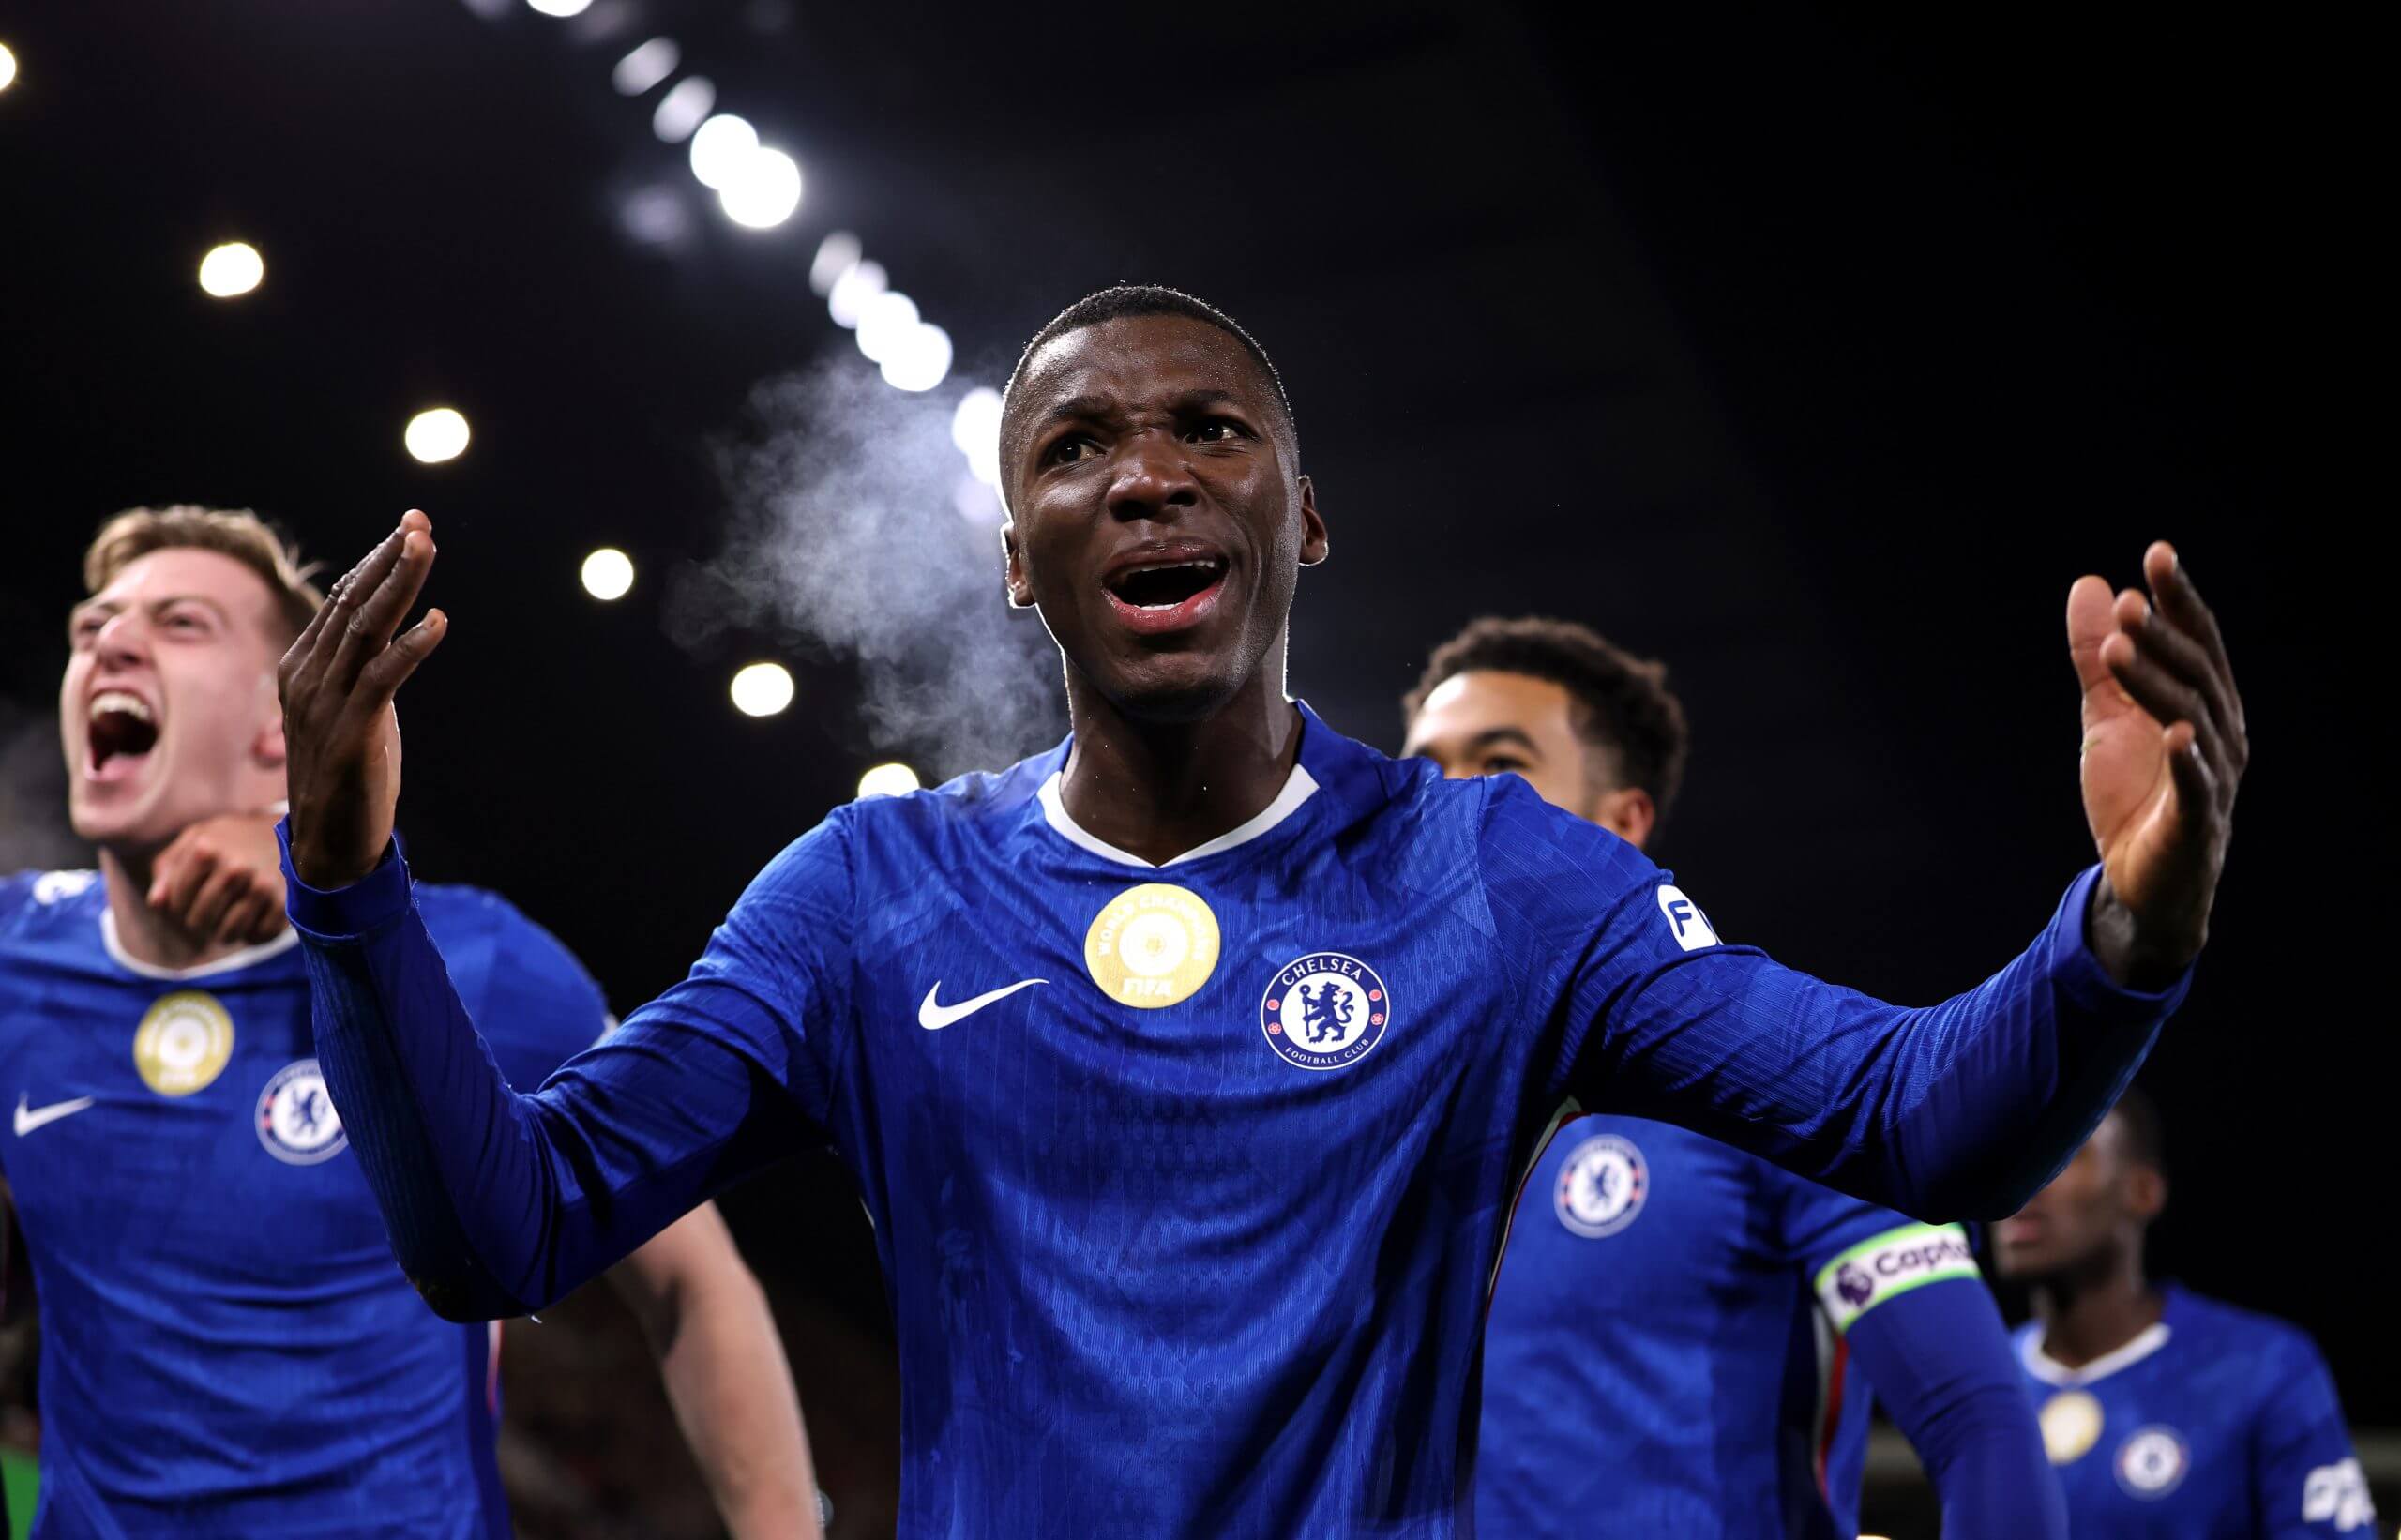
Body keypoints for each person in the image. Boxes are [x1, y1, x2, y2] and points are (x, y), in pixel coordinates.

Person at [276, 285, 2245, 1533]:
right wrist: (352, 886)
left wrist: (2124, 928)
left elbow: (1916, 1117)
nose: (1145, 474)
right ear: (1017, 566)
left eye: (1208, 430)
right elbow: (498, 1227)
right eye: (1076, 448)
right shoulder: (869, 899)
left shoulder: (1497, 874)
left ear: (1297, 520)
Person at [0, 507, 822, 1538]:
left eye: (181, 623)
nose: (106, 641)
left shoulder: (477, 962)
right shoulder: (13, 961)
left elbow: (690, 1285)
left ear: (284, 716)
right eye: (93, 626)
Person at [1401, 615, 2066, 1538]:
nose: (1454, 804)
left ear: (1620, 824)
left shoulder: (1774, 1088)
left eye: (1501, 767)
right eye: (1424, 772)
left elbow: (1975, 1425)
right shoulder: (1380, 1116)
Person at [1994, 1088, 2375, 1536]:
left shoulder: (2263, 1367)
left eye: (2064, 1154)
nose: (2024, 1182)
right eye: (2006, 1159)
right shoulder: (1983, 1381)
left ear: (2142, 1192)